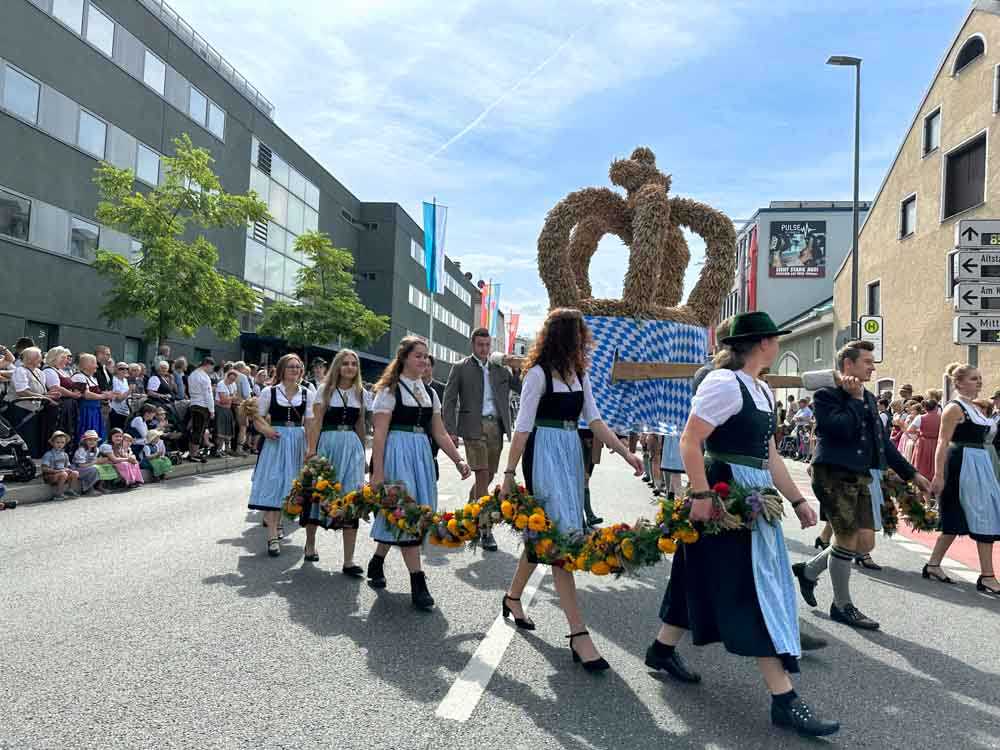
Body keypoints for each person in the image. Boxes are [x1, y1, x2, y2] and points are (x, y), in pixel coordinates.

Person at [649, 312, 839, 737]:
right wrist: (701, 495)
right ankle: (784, 699)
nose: (777, 344)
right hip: (726, 491)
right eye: (775, 338)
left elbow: (770, 455)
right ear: (763, 343)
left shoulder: (760, 388)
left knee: (698, 574)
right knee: (751, 588)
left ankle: (660, 649)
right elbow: (690, 440)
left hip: (754, 490)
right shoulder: (723, 383)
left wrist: (797, 500)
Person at [501, 309, 643, 672]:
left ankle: (513, 598)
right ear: (565, 338)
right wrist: (509, 473)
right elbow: (523, 427)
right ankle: (579, 634)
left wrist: (626, 453)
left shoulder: (580, 375)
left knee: (547, 535)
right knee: (561, 539)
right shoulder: (537, 374)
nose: (585, 342)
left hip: (569, 453)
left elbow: (594, 419)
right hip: (543, 453)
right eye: (580, 336)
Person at [792, 341, 930, 631]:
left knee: (865, 542)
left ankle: (809, 570)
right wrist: (854, 400)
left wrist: (911, 474)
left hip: (859, 475)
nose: (872, 367)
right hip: (832, 475)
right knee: (846, 539)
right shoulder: (827, 395)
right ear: (848, 364)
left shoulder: (867, 396)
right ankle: (842, 605)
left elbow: (882, 443)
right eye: (867, 362)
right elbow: (838, 429)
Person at [367, 337, 471, 609]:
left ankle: (377, 561)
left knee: (409, 513)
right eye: (418, 356)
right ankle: (418, 581)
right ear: (404, 358)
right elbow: (379, 434)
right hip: (397, 453)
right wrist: (377, 471)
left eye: (426, 356)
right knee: (407, 513)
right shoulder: (389, 391)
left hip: (421, 455)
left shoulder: (430, 393)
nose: (424, 361)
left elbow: (439, 432)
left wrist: (459, 460)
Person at [443, 328, 522, 552]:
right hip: (473, 427)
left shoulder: (500, 368)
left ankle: (468, 513)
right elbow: (449, 400)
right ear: (473, 345)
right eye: (480, 345)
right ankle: (485, 530)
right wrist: (450, 430)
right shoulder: (461, 367)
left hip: (496, 427)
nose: (484, 349)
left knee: (489, 475)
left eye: (487, 345)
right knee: (481, 474)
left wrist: (516, 370)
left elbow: (520, 388)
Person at [924, 363, 1000, 593]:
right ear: (958, 383)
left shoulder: (974, 408)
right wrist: (938, 475)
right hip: (962, 463)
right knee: (977, 513)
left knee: (969, 515)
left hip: (980, 463)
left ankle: (933, 564)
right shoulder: (954, 408)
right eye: (974, 378)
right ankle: (987, 576)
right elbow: (942, 442)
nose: (979, 382)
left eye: (979, 378)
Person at [303, 349, 367, 574]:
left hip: (352, 446)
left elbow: (360, 424)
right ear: (337, 366)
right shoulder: (325, 390)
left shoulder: (360, 392)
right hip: (328, 445)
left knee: (352, 498)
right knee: (318, 494)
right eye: (345, 363)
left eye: (354, 364)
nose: (350, 367)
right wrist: (312, 451)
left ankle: (348, 560)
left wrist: (363, 455)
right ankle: (310, 544)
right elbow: (316, 422)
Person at [248, 354, 314, 557]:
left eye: (298, 367)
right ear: (282, 369)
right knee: (274, 483)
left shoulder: (307, 393)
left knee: (290, 485)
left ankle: (278, 523)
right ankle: (272, 536)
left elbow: (310, 423)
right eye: (291, 366)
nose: (295, 370)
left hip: (297, 441)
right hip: (275, 441)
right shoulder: (269, 392)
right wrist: (266, 430)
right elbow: (256, 417)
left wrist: (310, 448)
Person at [7, 346, 51, 458]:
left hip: (34, 410)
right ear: (32, 359)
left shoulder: (40, 372)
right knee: (24, 436)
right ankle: (22, 459)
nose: (42, 359)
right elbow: (22, 391)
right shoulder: (20, 371)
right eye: (39, 357)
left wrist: (50, 396)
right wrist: (43, 397)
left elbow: (42, 392)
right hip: (20, 409)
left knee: (33, 436)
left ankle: (32, 458)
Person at [41, 346, 80, 446]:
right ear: (54, 357)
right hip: (58, 406)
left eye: (65, 357)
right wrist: (73, 394)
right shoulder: (49, 370)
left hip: (68, 406)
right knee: (57, 431)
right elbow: (56, 388)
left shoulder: (61, 371)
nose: (65, 360)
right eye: (62, 357)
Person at [72, 353, 111, 446]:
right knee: (86, 433)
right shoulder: (79, 377)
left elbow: (96, 394)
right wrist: (103, 396)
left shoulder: (92, 378)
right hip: (85, 411)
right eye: (94, 363)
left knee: (96, 433)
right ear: (86, 365)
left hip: (95, 410)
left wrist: (107, 395)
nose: (96, 366)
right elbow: (86, 394)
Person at [187, 357, 216, 463]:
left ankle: (192, 453)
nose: (211, 370)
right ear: (207, 365)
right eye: (211, 367)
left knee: (195, 430)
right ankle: (194, 454)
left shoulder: (192, 374)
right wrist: (212, 410)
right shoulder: (204, 377)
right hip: (202, 406)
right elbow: (208, 395)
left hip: (194, 403)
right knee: (199, 431)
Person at [422, 354, 446, 479]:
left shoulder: (441, 389)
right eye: (423, 365)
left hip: (435, 433)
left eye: (427, 365)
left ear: (432, 368)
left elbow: (444, 413)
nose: (424, 368)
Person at [41, 431, 79, 500]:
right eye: (57, 442)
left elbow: (67, 466)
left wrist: (69, 470)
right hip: (50, 476)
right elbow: (44, 469)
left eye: (62, 442)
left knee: (75, 473)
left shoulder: (65, 455)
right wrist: (58, 471)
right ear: (52, 443)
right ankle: (58, 494)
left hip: (62, 474)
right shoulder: (49, 454)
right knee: (63, 474)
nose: (60, 444)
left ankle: (70, 490)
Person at [910, 399, 941, 483]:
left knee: (921, 463)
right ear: (936, 407)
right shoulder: (942, 417)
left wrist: (920, 432)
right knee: (935, 464)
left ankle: (922, 483)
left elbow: (910, 430)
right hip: (937, 442)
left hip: (923, 443)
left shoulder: (920, 417)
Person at [73, 429, 113, 493]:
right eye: (90, 440)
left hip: (89, 466)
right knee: (94, 469)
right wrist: (95, 462)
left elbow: (96, 460)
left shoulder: (96, 450)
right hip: (78, 469)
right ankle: (89, 488)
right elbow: (81, 465)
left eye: (94, 440)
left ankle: (99, 486)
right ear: (85, 441)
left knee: (105, 466)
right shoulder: (82, 450)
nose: (92, 442)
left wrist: (103, 461)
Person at [214, 369, 239, 456]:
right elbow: (223, 400)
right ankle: (218, 450)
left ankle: (225, 449)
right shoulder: (221, 384)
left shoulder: (233, 384)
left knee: (227, 431)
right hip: (220, 409)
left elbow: (234, 397)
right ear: (227, 377)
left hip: (228, 409)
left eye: (233, 379)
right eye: (230, 379)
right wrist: (231, 397)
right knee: (220, 432)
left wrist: (230, 397)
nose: (231, 381)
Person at [233, 362, 253, 454]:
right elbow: (246, 394)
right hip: (240, 404)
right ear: (241, 368)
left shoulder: (228, 375)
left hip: (229, 404)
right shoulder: (242, 377)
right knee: (243, 426)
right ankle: (239, 448)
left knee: (233, 427)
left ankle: (230, 447)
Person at [108, 362, 132, 431]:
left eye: (127, 368)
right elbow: (119, 399)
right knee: (116, 432)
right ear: (116, 369)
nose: (125, 370)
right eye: (121, 368)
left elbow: (125, 395)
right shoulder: (114, 380)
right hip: (116, 412)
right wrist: (129, 390)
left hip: (126, 412)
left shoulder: (125, 380)